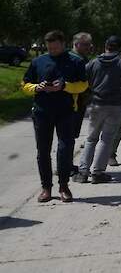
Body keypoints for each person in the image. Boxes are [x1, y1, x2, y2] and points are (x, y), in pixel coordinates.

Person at [22, 31, 88, 203]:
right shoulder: (38, 61)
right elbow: (25, 85)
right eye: (49, 48)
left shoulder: (76, 61)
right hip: (42, 112)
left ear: (63, 44)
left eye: (56, 47)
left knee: (65, 149)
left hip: (66, 111)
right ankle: (46, 188)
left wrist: (65, 86)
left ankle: (64, 186)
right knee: (43, 151)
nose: (52, 50)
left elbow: (83, 85)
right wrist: (37, 87)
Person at [74, 36, 121, 184]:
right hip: (115, 105)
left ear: (105, 46)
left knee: (91, 139)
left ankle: (83, 172)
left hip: (96, 104)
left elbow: (81, 78)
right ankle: (98, 173)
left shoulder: (93, 62)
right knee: (106, 139)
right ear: (119, 49)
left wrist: (89, 91)